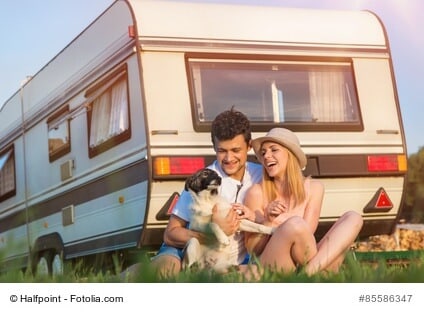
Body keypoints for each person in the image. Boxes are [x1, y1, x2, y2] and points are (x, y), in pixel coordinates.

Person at [149, 108, 262, 278]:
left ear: (249, 146)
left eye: (236, 150)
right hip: (184, 248)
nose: (229, 158)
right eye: (222, 150)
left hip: (223, 259)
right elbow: (170, 234)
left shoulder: (260, 175)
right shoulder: (202, 180)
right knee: (165, 271)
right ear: (214, 147)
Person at [242, 127, 363, 276]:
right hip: (275, 262)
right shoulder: (256, 192)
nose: (267, 156)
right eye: (263, 152)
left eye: (274, 150)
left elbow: (307, 236)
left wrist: (278, 222)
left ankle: (309, 274)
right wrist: (267, 221)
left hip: (305, 260)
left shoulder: (314, 188)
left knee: (353, 217)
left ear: (290, 154)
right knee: (295, 224)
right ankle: (318, 275)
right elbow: (252, 249)